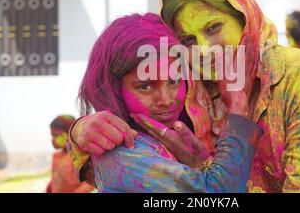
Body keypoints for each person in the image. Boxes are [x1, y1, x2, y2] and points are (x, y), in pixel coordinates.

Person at [68, 0, 300, 193]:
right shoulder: (196, 90)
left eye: (214, 28)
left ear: (245, 20)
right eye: (190, 39)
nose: (206, 50)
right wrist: (81, 129)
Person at [76, 13, 262, 192]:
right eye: (145, 86)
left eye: (173, 81)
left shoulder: (166, 139)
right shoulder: (123, 151)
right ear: (115, 89)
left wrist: (200, 164)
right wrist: (237, 108)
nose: (166, 100)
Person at [46, 115, 94, 193]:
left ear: (69, 133)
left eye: (56, 135)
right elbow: (57, 178)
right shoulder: (56, 156)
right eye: (52, 135)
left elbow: (90, 182)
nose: (53, 139)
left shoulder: (81, 155)